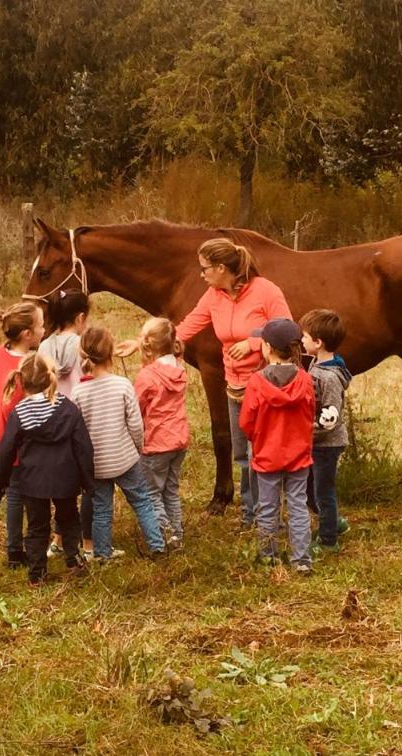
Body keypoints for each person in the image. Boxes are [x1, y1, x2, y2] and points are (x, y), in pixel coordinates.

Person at [173, 238, 292, 529]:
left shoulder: (265, 291)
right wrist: (148, 342)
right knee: (242, 455)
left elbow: (288, 329)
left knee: (258, 454)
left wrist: (252, 343)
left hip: (264, 385)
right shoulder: (214, 295)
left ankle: (266, 515)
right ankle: (251, 513)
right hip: (234, 386)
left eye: (205, 269)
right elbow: (188, 325)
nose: (201, 274)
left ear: (222, 268)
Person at [0, 354, 94, 584]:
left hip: (32, 481)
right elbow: (83, 447)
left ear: (22, 382)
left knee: (37, 527)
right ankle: (74, 559)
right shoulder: (67, 408)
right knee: (69, 519)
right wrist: (88, 480)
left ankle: (37, 574)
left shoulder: (20, 413)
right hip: (66, 478)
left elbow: (6, 450)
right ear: (50, 379)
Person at [73, 327, 167, 561]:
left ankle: (103, 554)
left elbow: (76, 432)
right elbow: (136, 424)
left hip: (96, 464)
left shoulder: (78, 392)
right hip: (125, 459)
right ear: (110, 354)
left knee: (102, 509)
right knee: (142, 501)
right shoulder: (123, 385)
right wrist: (138, 447)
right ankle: (157, 546)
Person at [239, 318, 315, 573]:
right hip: (298, 455)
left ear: (267, 347)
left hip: (267, 455)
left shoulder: (257, 382)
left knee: (268, 507)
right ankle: (302, 559)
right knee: (298, 505)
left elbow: (246, 421)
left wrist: (258, 438)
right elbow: (310, 414)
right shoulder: (305, 380)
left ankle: (268, 555)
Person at [0, 302, 44, 563]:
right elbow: (15, 411)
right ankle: (15, 551)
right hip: (10, 443)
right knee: (15, 493)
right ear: (27, 334)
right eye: (40, 326)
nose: (44, 330)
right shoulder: (24, 367)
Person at [37, 290, 93, 557]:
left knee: (62, 485)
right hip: (79, 419)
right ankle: (87, 540)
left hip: (52, 418)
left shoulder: (45, 345)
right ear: (80, 318)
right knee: (87, 482)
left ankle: (58, 540)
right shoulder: (82, 345)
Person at [299, 308, 353, 553]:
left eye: (305, 337)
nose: (301, 340)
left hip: (327, 444)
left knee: (323, 491)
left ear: (318, 343)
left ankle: (329, 539)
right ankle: (332, 523)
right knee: (312, 488)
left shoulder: (328, 376)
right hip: (317, 443)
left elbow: (330, 416)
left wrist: (305, 429)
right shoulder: (318, 366)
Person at [134, 317, 189, 547]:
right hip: (179, 440)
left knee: (152, 492)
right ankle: (177, 533)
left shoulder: (147, 376)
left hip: (155, 443)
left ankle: (163, 535)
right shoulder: (179, 368)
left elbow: (135, 408)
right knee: (171, 490)